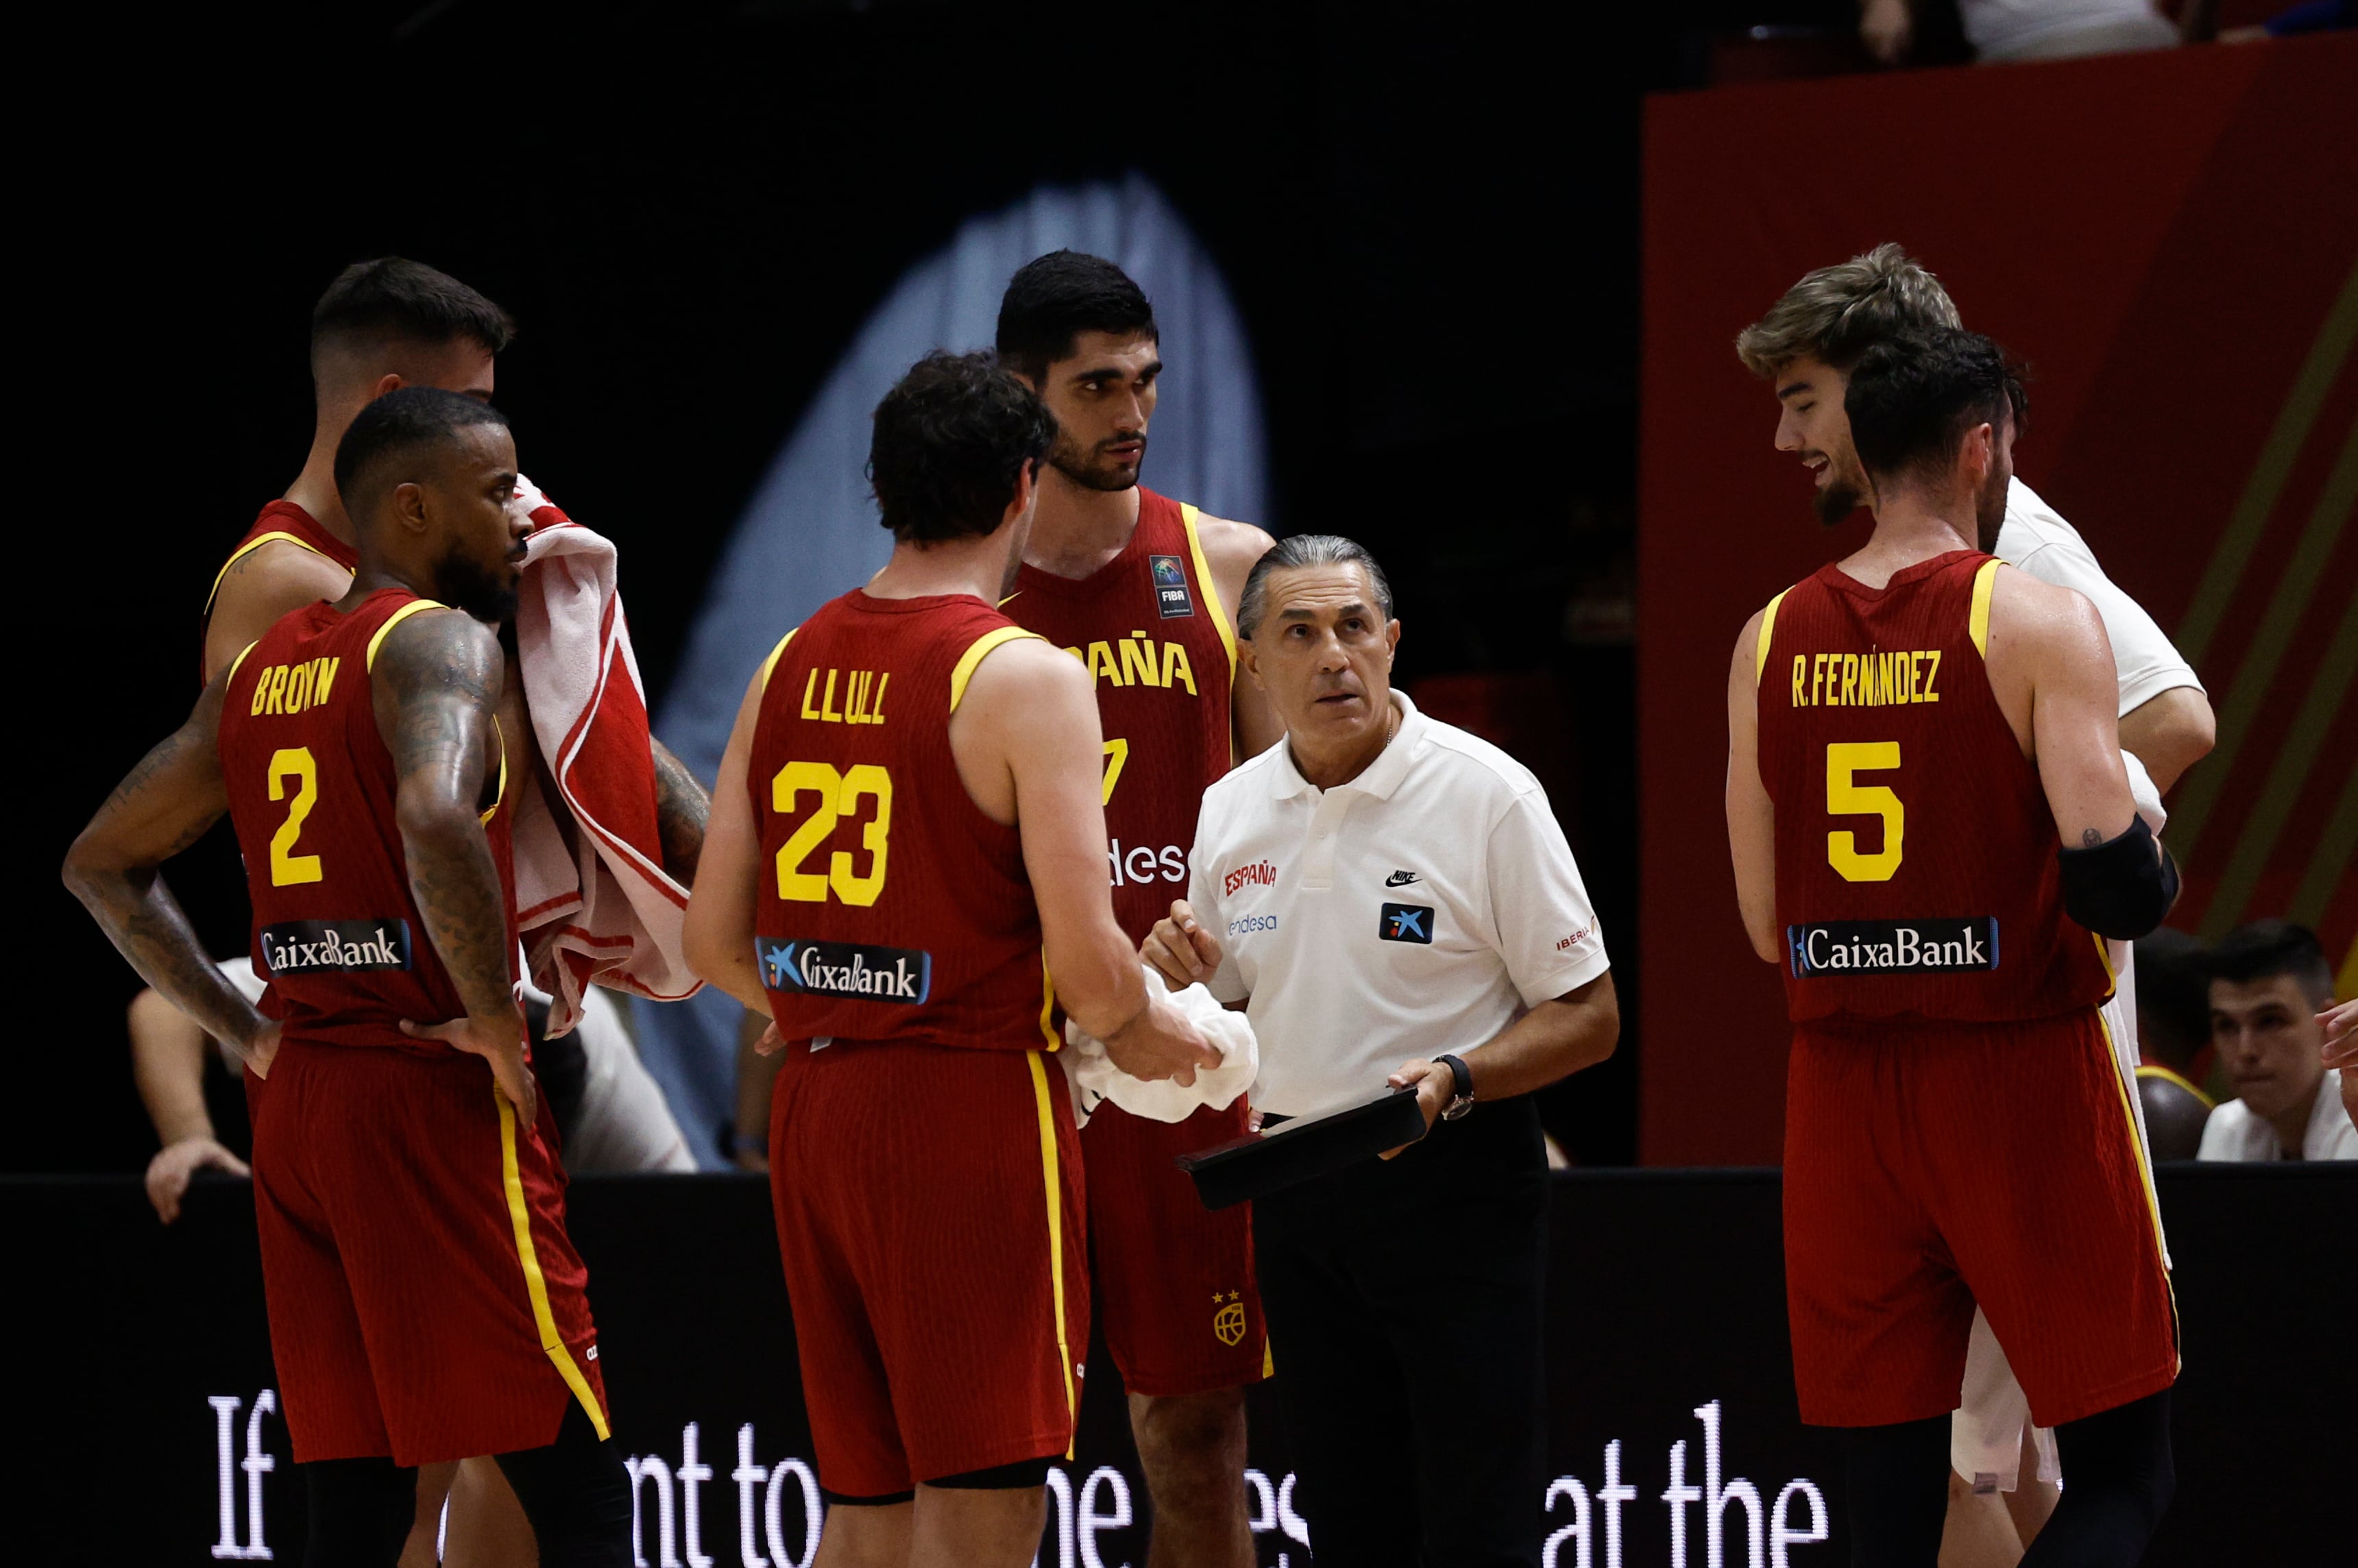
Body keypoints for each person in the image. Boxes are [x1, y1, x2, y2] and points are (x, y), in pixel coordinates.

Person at [64, 387, 631, 1567]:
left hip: (304, 1100)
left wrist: (246, 1029)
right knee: (571, 1482)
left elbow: (101, 865)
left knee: (355, 1496)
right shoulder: (434, 641)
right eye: (497, 490)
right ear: (412, 509)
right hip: (418, 1083)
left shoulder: (264, 667)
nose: (524, 516)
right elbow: (433, 809)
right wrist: (490, 1016)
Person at [682, 350, 1216, 1566]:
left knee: (867, 1511)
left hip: (819, 1115)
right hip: (966, 1110)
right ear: (1027, 484)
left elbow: (710, 939)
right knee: (983, 1507)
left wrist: (826, 999)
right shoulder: (1023, 673)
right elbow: (1091, 977)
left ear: (884, 488)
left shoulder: (789, 656)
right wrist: (1177, 1037)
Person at [1734, 241, 2213, 1560]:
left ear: (1884, 401)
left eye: (1804, 398)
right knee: (2069, 1468)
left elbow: (2177, 714)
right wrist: (2079, 839)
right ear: (1979, 441)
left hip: (1864, 1067)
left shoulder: (1789, 625)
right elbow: (2121, 864)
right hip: (2002, 1057)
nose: (1786, 434)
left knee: (1937, 1487)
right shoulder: (2016, 607)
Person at [1145, 535, 1620, 1566]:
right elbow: (1226, 1008)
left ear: (1393, 642)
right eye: (1300, 634)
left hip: (1456, 1178)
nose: (1332, 658)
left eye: (1355, 628)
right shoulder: (1231, 808)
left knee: (1478, 1516)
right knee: (1350, 1518)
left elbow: (1591, 1018)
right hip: (1297, 1187)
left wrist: (1460, 1080)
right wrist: (1173, 975)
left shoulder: (1488, 794)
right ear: (1253, 662)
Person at [993, 249, 1282, 1567]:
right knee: (990, 1443)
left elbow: (1300, 820)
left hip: (1181, 1057)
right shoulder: (961, 592)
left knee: (1195, 1430)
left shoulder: (1227, 566)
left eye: (1146, 383)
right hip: (1011, 1057)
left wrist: (1234, 937)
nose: (1131, 412)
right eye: (1096, 385)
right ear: (1020, 396)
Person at [2198, 920, 2356, 1161]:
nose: (2245, 1050)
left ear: (2329, 1027)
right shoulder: (2227, 1126)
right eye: (2227, 1026)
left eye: (2270, 1022)